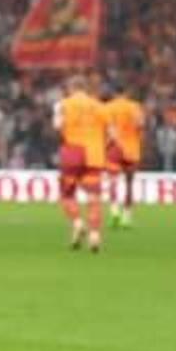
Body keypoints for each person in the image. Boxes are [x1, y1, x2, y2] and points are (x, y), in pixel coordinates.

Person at [53, 75, 107, 252]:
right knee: (94, 197)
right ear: (85, 88)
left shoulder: (62, 104)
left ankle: (77, 223)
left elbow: (57, 126)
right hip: (94, 153)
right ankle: (94, 236)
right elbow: (111, 133)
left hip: (73, 151)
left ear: (71, 88)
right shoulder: (99, 105)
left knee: (67, 194)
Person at [104, 89, 145, 228]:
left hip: (115, 147)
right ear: (126, 94)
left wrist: (105, 146)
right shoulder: (135, 106)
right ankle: (127, 217)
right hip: (132, 149)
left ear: (114, 94)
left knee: (112, 181)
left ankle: (115, 210)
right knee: (129, 183)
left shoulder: (108, 107)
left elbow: (109, 130)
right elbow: (140, 124)